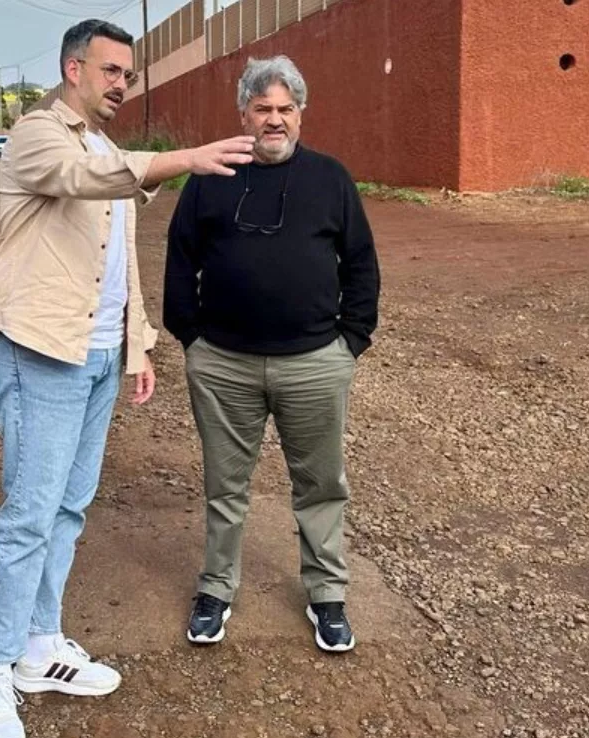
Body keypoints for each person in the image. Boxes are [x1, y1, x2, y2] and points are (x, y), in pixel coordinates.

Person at [0, 18, 255, 738]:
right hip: (39, 351)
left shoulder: (103, 146)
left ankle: (38, 646)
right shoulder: (38, 135)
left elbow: (118, 255)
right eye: (111, 70)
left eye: (128, 73)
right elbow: (85, 179)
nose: (122, 83)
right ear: (73, 70)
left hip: (95, 356)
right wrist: (184, 155)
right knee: (30, 513)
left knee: (67, 508)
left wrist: (139, 346)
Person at [163, 55, 380, 654]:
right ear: (244, 114)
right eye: (264, 109)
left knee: (320, 484)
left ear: (301, 115)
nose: (275, 120)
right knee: (225, 485)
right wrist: (190, 336)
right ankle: (216, 588)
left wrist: (351, 341)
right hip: (224, 363)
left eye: (286, 109)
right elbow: (180, 258)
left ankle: (327, 595)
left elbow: (360, 262)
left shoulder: (332, 179)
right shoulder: (209, 176)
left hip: (314, 362)